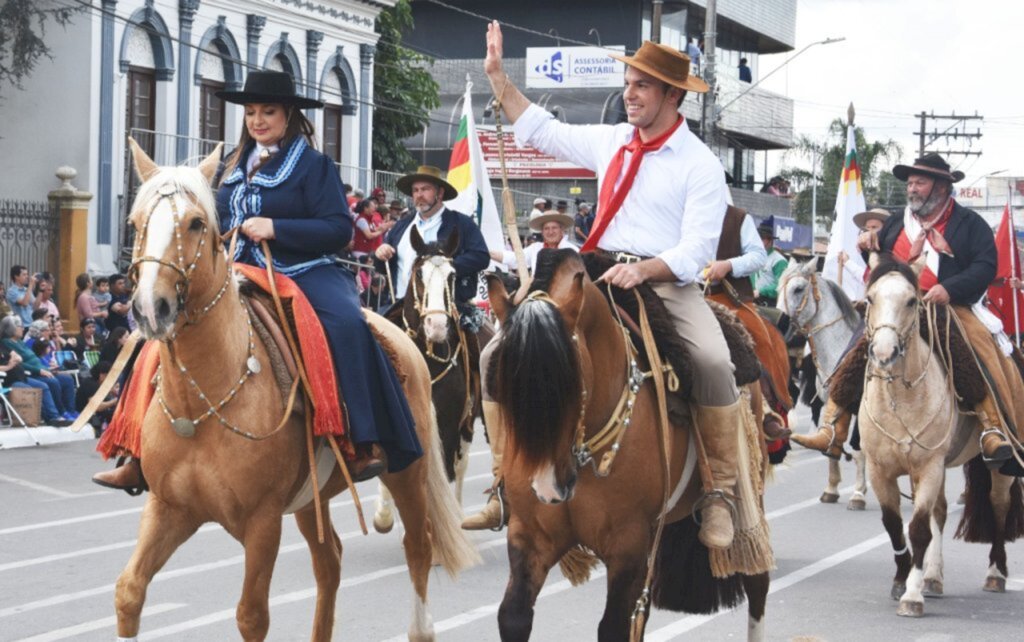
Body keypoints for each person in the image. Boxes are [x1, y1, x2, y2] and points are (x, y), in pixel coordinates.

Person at [93, 71, 421, 490]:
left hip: (305, 272)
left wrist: (276, 227)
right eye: (251, 112)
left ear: (288, 115)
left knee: (346, 323)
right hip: (238, 269)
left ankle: (361, 440)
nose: (258, 120)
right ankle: (135, 450)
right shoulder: (229, 166)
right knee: (161, 334)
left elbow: (338, 228)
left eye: (268, 111)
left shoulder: (314, 165)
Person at [481, 24, 742, 549]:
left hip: (664, 282)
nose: (629, 94)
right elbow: (544, 131)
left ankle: (721, 490)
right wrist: (498, 80)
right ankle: (501, 478)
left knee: (714, 362)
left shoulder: (701, 165)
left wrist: (646, 269)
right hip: (595, 276)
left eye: (642, 86)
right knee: (497, 353)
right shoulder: (612, 140)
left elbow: (696, 251)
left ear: (673, 95)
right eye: (628, 83)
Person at [795, 153, 1019, 467]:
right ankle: (833, 425)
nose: (912, 188)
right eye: (910, 183)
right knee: (857, 347)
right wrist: (867, 248)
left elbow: (985, 266)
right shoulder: (898, 222)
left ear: (941, 187)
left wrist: (949, 288)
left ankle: (992, 427)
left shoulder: (971, 224)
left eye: (920, 182)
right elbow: (882, 264)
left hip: (948, 305)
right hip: (898, 305)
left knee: (976, 350)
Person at [374, 165, 490, 327]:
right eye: (415, 190)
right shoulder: (401, 226)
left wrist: (447, 266)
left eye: (425, 189)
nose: (419, 195)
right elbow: (382, 266)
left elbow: (481, 256)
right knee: (368, 336)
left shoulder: (461, 223)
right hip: (400, 307)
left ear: (440, 193)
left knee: (484, 347)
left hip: (448, 309)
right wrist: (380, 254)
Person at [0, 315, 77, 422]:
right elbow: (20, 363)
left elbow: (33, 359)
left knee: (67, 379)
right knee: (51, 383)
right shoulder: (5, 344)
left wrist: (47, 368)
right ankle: (58, 413)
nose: (23, 328)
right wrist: (40, 370)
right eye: (20, 326)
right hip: (26, 374)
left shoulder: (20, 342)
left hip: (36, 371)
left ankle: (70, 411)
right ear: (11, 328)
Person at [490, 208, 577, 275]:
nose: (550, 232)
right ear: (542, 232)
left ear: (562, 230)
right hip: (538, 294)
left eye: (554, 228)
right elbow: (514, 259)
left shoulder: (573, 251)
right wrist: (487, 253)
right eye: (546, 228)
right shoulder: (536, 248)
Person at [76, 360, 119, 437]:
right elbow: (96, 407)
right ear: (102, 375)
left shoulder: (98, 383)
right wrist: (114, 401)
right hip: (87, 414)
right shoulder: (90, 384)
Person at [752, 217, 787, 307]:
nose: (758, 241)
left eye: (762, 238)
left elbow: (782, 285)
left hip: (771, 303)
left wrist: (761, 291)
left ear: (770, 240)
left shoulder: (779, 260)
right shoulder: (753, 257)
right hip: (753, 300)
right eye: (758, 237)